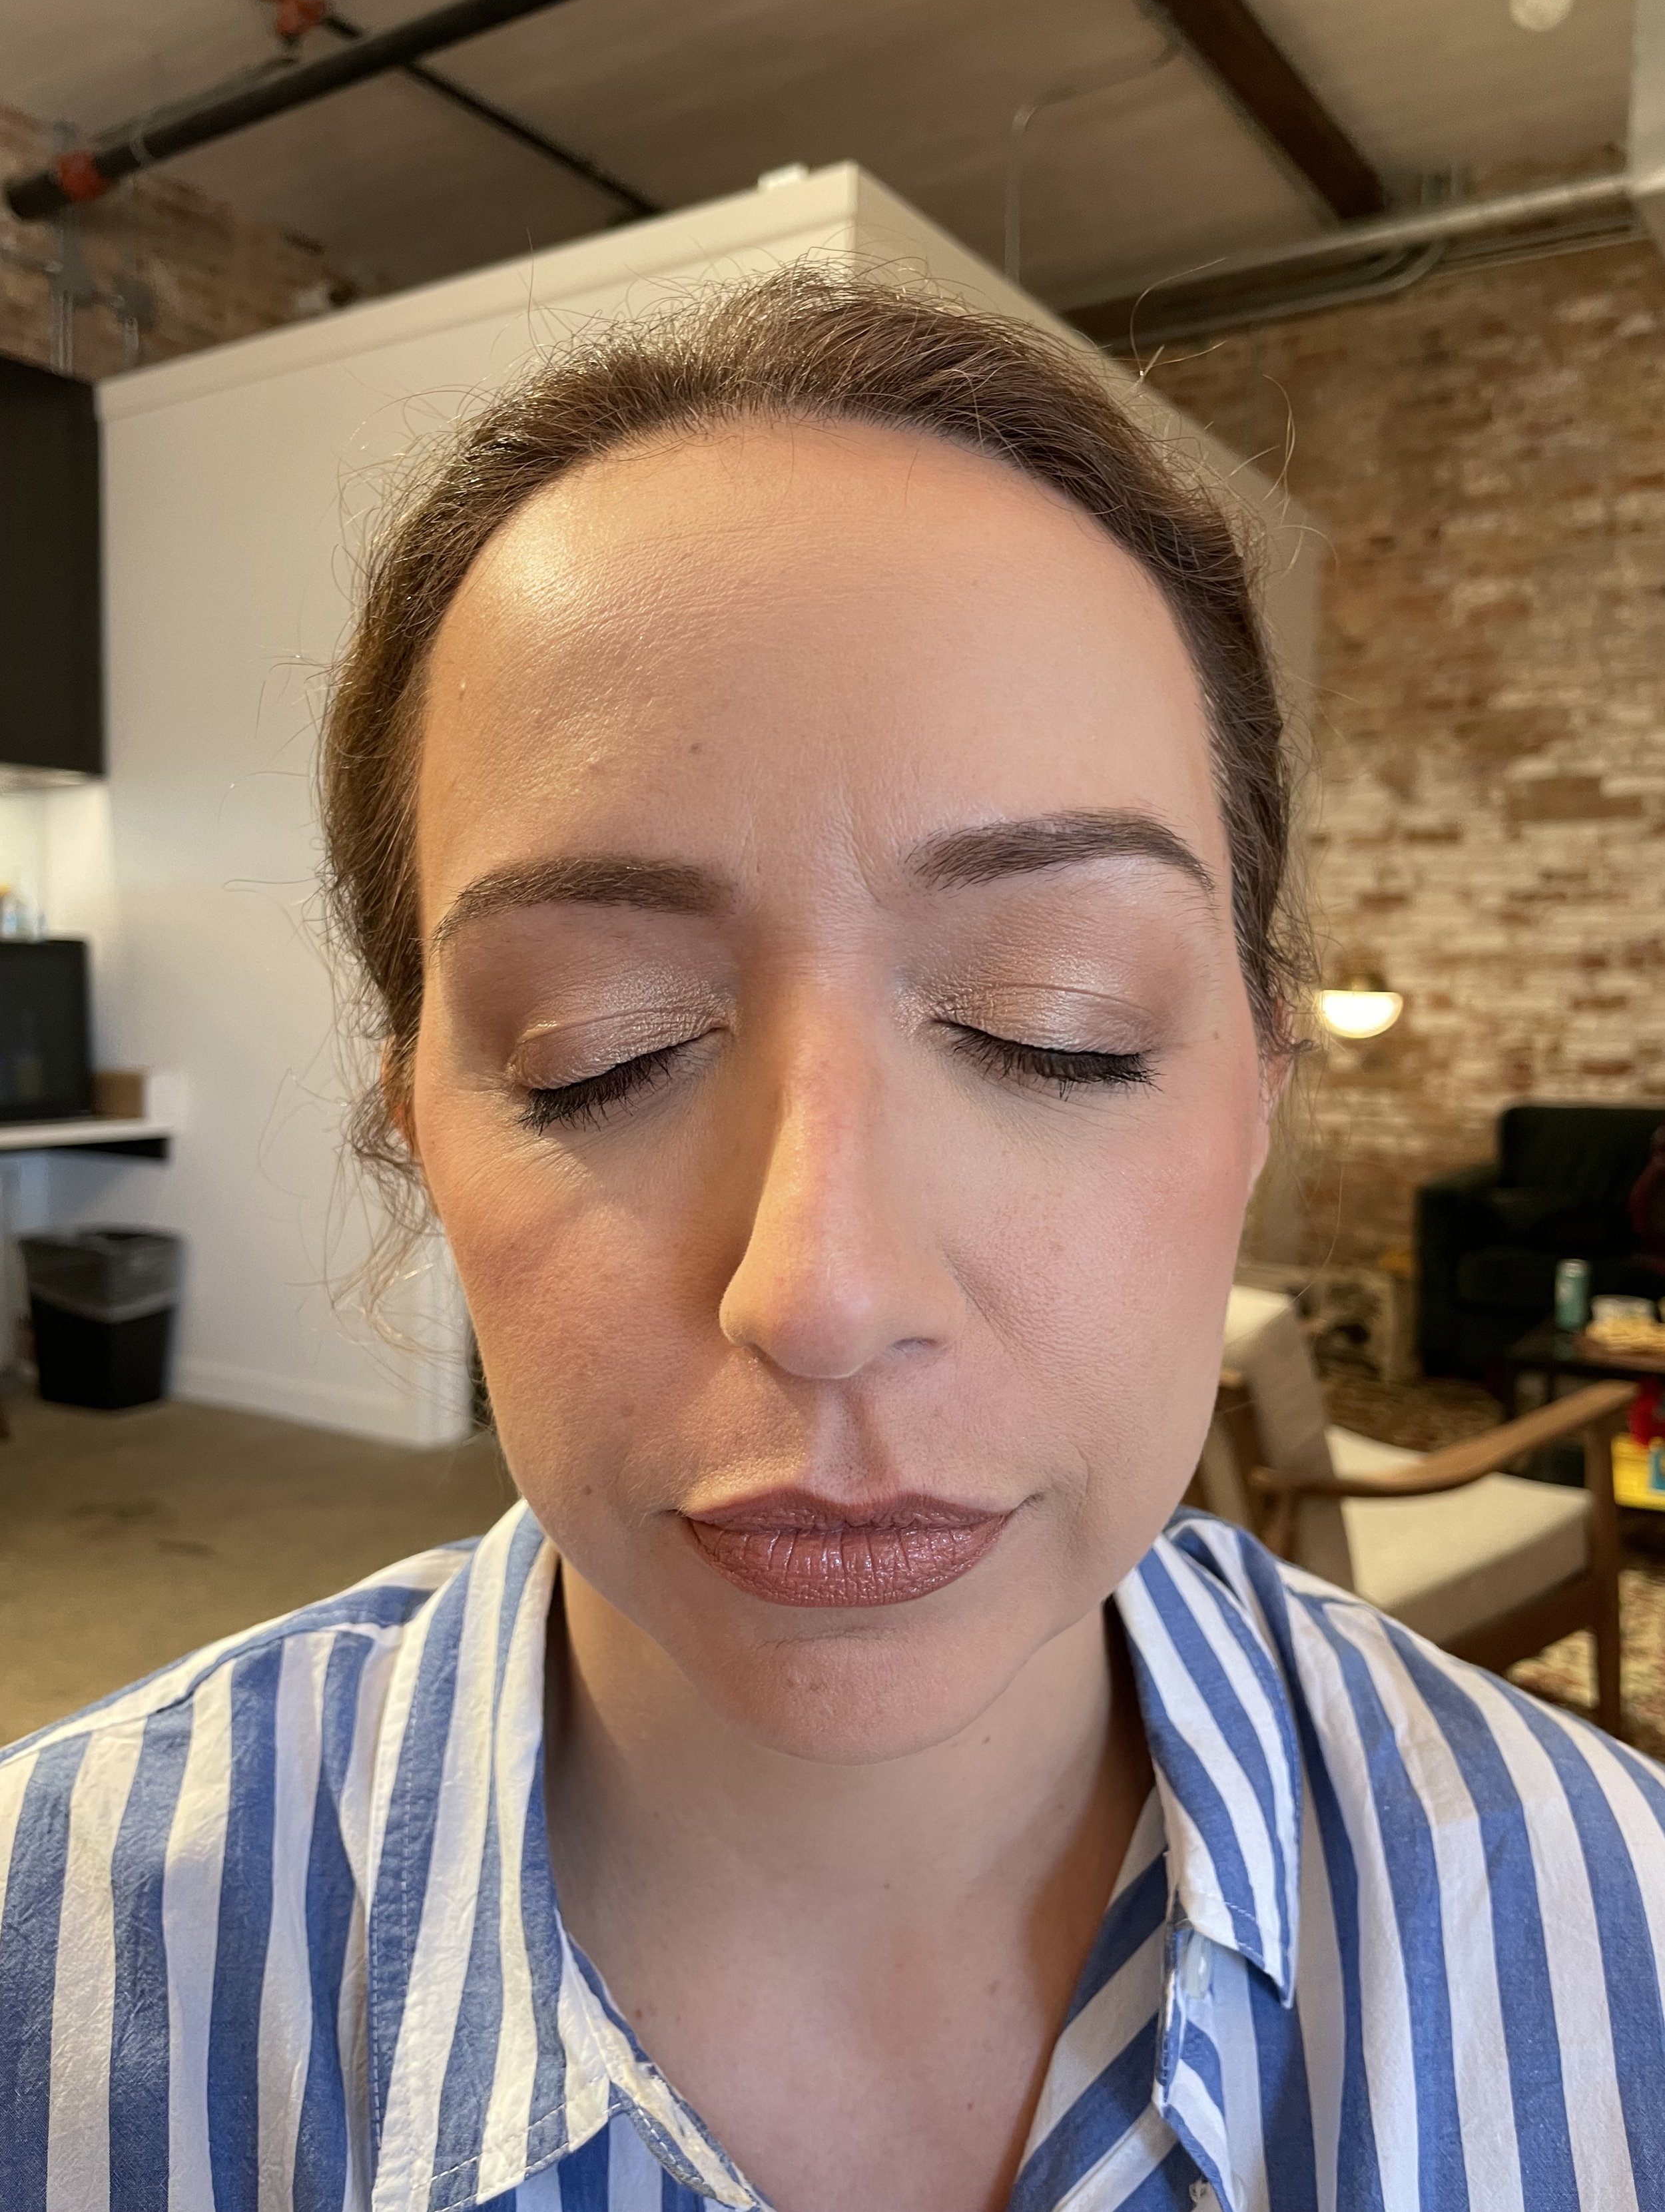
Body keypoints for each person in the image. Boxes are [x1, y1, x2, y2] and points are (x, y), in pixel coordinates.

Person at [2, 271, 1662, 2212]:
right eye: (595, 1055)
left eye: (1055, 1028)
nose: (822, 1293)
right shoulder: (70, 1972)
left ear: (1250, 1097)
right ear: (420, 1133)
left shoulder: (1605, 1926)